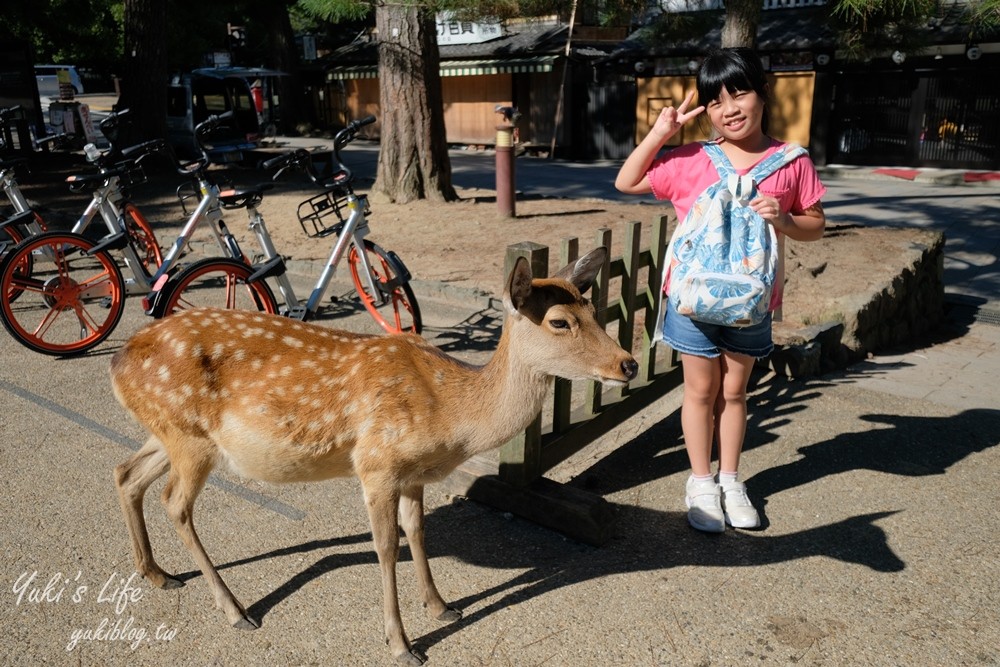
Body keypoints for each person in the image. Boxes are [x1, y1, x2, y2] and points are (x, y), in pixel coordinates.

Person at [615, 48, 827, 533]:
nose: (729, 108)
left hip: (751, 303)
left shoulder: (792, 162)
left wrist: (787, 219)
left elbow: (815, 225)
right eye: (715, 101)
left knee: (734, 392)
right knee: (699, 390)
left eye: (739, 92)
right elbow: (626, 182)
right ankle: (700, 481)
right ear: (707, 111)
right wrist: (661, 133)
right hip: (692, 299)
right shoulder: (690, 159)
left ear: (762, 93)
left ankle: (732, 480)